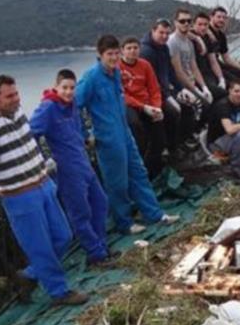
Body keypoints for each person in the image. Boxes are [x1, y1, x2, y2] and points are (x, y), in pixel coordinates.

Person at [0, 75, 88, 306]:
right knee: (40, 247)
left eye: (16, 94)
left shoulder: (17, 112)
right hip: (20, 195)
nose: (15, 99)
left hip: (43, 184)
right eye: (9, 96)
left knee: (63, 235)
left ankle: (29, 275)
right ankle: (59, 292)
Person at [76, 35, 179, 233]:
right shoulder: (91, 78)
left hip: (124, 132)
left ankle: (154, 214)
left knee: (139, 173)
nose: (114, 58)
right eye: (109, 54)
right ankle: (124, 223)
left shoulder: (115, 73)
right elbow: (74, 106)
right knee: (117, 182)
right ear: (100, 55)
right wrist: (84, 133)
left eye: (116, 53)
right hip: (107, 137)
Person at [29, 68, 112, 265]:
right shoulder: (47, 107)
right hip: (67, 169)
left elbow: (78, 126)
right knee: (80, 214)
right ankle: (96, 255)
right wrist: (44, 160)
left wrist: (85, 137)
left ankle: (102, 247)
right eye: (64, 88)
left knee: (100, 204)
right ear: (56, 87)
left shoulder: (72, 104)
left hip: (83, 162)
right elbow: (31, 134)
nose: (68, 92)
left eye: (72, 88)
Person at [139, 18, 196, 155]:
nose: (164, 36)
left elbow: (170, 71)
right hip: (152, 95)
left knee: (188, 105)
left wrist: (181, 88)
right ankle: (171, 148)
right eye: (161, 33)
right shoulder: (146, 52)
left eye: (167, 33)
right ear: (153, 31)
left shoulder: (163, 47)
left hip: (165, 89)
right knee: (172, 112)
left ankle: (182, 141)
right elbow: (151, 82)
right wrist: (168, 97)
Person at [118, 37, 167, 178]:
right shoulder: (117, 68)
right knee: (135, 126)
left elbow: (154, 88)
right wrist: (143, 107)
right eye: (129, 48)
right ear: (122, 51)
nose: (133, 51)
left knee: (160, 135)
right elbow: (121, 94)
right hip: (131, 105)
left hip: (147, 103)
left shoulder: (145, 65)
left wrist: (156, 107)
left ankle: (154, 169)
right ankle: (137, 169)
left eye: (135, 48)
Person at [208, 6, 240, 91]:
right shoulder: (204, 31)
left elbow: (226, 58)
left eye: (224, 18)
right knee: (236, 84)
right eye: (218, 17)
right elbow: (191, 30)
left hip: (218, 64)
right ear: (211, 17)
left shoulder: (221, 36)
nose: (221, 20)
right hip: (208, 68)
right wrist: (207, 32)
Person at [192, 11, 226, 100]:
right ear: (193, 25)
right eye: (199, 24)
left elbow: (213, 61)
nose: (202, 27)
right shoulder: (189, 38)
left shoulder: (207, 37)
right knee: (221, 93)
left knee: (233, 85)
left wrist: (221, 78)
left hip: (208, 73)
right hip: (196, 76)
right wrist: (197, 38)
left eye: (205, 25)